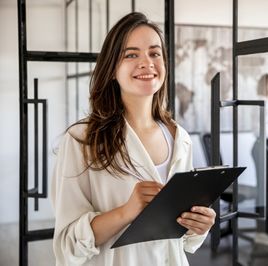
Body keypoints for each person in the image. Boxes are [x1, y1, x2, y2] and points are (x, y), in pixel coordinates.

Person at [51, 12, 215, 266]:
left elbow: (181, 241)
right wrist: (126, 212)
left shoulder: (179, 137)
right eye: (131, 54)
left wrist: (198, 225)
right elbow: (67, 247)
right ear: (112, 68)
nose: (147, 63)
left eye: (154, 53)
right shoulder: (81, 140)